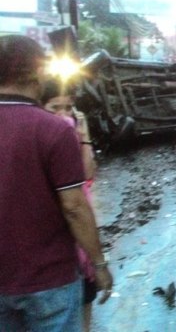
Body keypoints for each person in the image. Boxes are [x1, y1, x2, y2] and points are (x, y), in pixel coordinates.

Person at [0, 35, 113, 332]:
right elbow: (74, 206)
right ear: (38, 71)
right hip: (49, 280)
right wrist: (98, 264)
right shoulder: (53, 129)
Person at [41, 81, 99, 332]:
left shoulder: (72, 136)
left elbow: (87, 173)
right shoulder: (36, 136)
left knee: (85, 298)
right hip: (55, 236)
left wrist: (84, 137)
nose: (63, 115)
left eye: (68, 108)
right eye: (55, 107)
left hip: (79, 237)